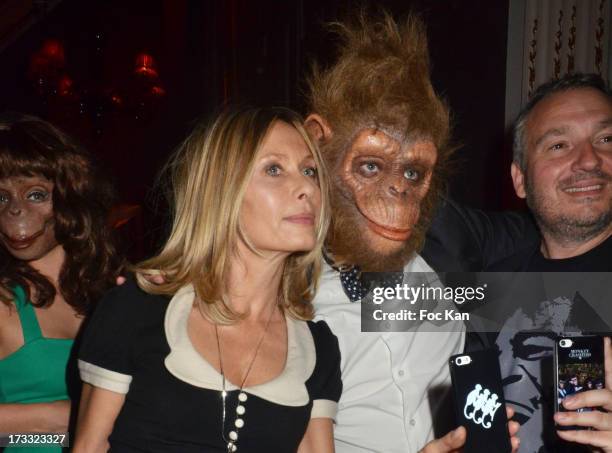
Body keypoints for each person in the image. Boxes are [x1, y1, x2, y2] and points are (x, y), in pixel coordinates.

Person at [72, 106, 342, 453]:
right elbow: (88, 447)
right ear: (221, 190)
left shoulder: (316, 347)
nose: (306, 186)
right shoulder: (138, 309)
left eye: (309, 170)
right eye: (274, 169)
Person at [482, 73, 612, 452]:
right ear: (519, 180)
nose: (589, 160)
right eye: (558, 145)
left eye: (606, 139)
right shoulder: (490, 285)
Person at [0, 114, 123, 452]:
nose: (14, 211)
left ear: (71, 196)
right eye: (1, 198)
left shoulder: (121, 289)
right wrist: (60, 422)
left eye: (35, 194)